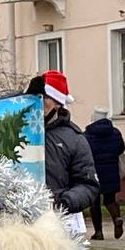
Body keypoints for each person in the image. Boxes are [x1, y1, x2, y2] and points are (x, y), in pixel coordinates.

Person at [25, 71, 99, 232]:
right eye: (33, 97)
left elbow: (88, 184)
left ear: (58, 103)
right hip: (17, 223)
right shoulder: (16, 131)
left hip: (59, 225)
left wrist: (63, 203)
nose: (37, 103)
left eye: (43, 98)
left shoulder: (74, 139)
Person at [85, 106, 125, 240]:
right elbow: (121, 148)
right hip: (111, 171)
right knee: (110, 199)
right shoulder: (115, 132)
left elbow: (84, 152)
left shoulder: (88, 134)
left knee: (94, 203)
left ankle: (98, 232)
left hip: (94, 172)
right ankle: (117, 218)